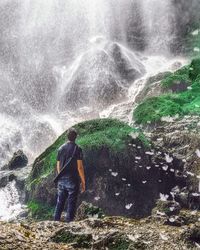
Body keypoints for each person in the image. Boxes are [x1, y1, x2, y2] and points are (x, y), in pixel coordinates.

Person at [54, 128, 85, 222]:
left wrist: (61, 177)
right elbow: (80, 167)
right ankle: (68, 224)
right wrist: (83, 182)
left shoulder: (60, 148)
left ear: (67, 137)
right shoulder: (78, 149)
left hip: (61, 179)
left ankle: (55, 222)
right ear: (76, 137)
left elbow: (58, 166)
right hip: (72, 180)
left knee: (60, 202)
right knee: (71, 203)